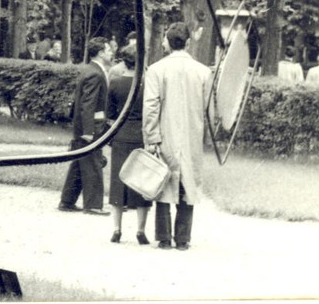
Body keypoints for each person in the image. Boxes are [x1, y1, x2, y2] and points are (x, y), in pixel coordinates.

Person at [143, 22, 212, 251]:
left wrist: (151, 138)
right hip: (192, 135)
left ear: (167, 42)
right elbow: (209, 109)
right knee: (187, 183)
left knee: (164, 181)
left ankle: (164, 238)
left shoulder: (156, 70)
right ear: (189, 43)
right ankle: (183, 239)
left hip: (165, 134)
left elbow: (151, 107)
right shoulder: (203, 72)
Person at [59, 38, 113, 215]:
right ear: (100, 52)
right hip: (90, 128)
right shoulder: (95, 73)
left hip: (84, 126)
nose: (111, 52)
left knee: (79, 162)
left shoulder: (90, 70)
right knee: (92, 163)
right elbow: (87, 104)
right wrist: (88, 131)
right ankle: (93, 205)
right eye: (108, 49)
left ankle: (67, 201)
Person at [105, 51, 151, 244]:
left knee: (118, 181)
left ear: (124, 63)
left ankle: (117, 229)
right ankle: (140, 231)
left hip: (121, 135)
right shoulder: (147, 84)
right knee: (142, 182)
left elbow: (109, 114)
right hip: (140, 136)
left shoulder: (115, 83)